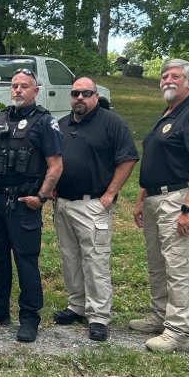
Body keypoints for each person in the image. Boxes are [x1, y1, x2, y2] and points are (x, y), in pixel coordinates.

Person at [0, 68, 63, 342]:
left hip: (24, 203)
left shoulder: (45, 123)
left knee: (26, 261)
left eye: (24, 86)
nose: (18, 91)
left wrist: (42, 197)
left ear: (36, 91)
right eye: (14, 86)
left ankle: (29, 318)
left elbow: (56, 165)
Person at [131, 59, 189, 352]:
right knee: (158, 263)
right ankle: (159, 315)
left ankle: (178, 330)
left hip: (180, 198)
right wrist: (142, 198)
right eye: (164, 76)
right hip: (156, 197)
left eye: (175, 76)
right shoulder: (168, 113)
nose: (168, 80)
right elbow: (157, 160)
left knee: (182, 264)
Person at [52, 77, 138, 341]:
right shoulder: (63, 124)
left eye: (86, 93)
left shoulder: (112, 122)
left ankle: (98, 316)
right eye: (75, 93)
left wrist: (110, 194)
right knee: (70, 258)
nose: (80, 98)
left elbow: (128, 159)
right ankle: (76, 306)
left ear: (96, 96)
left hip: (93, 204)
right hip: (63, 202)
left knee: (95, 260)